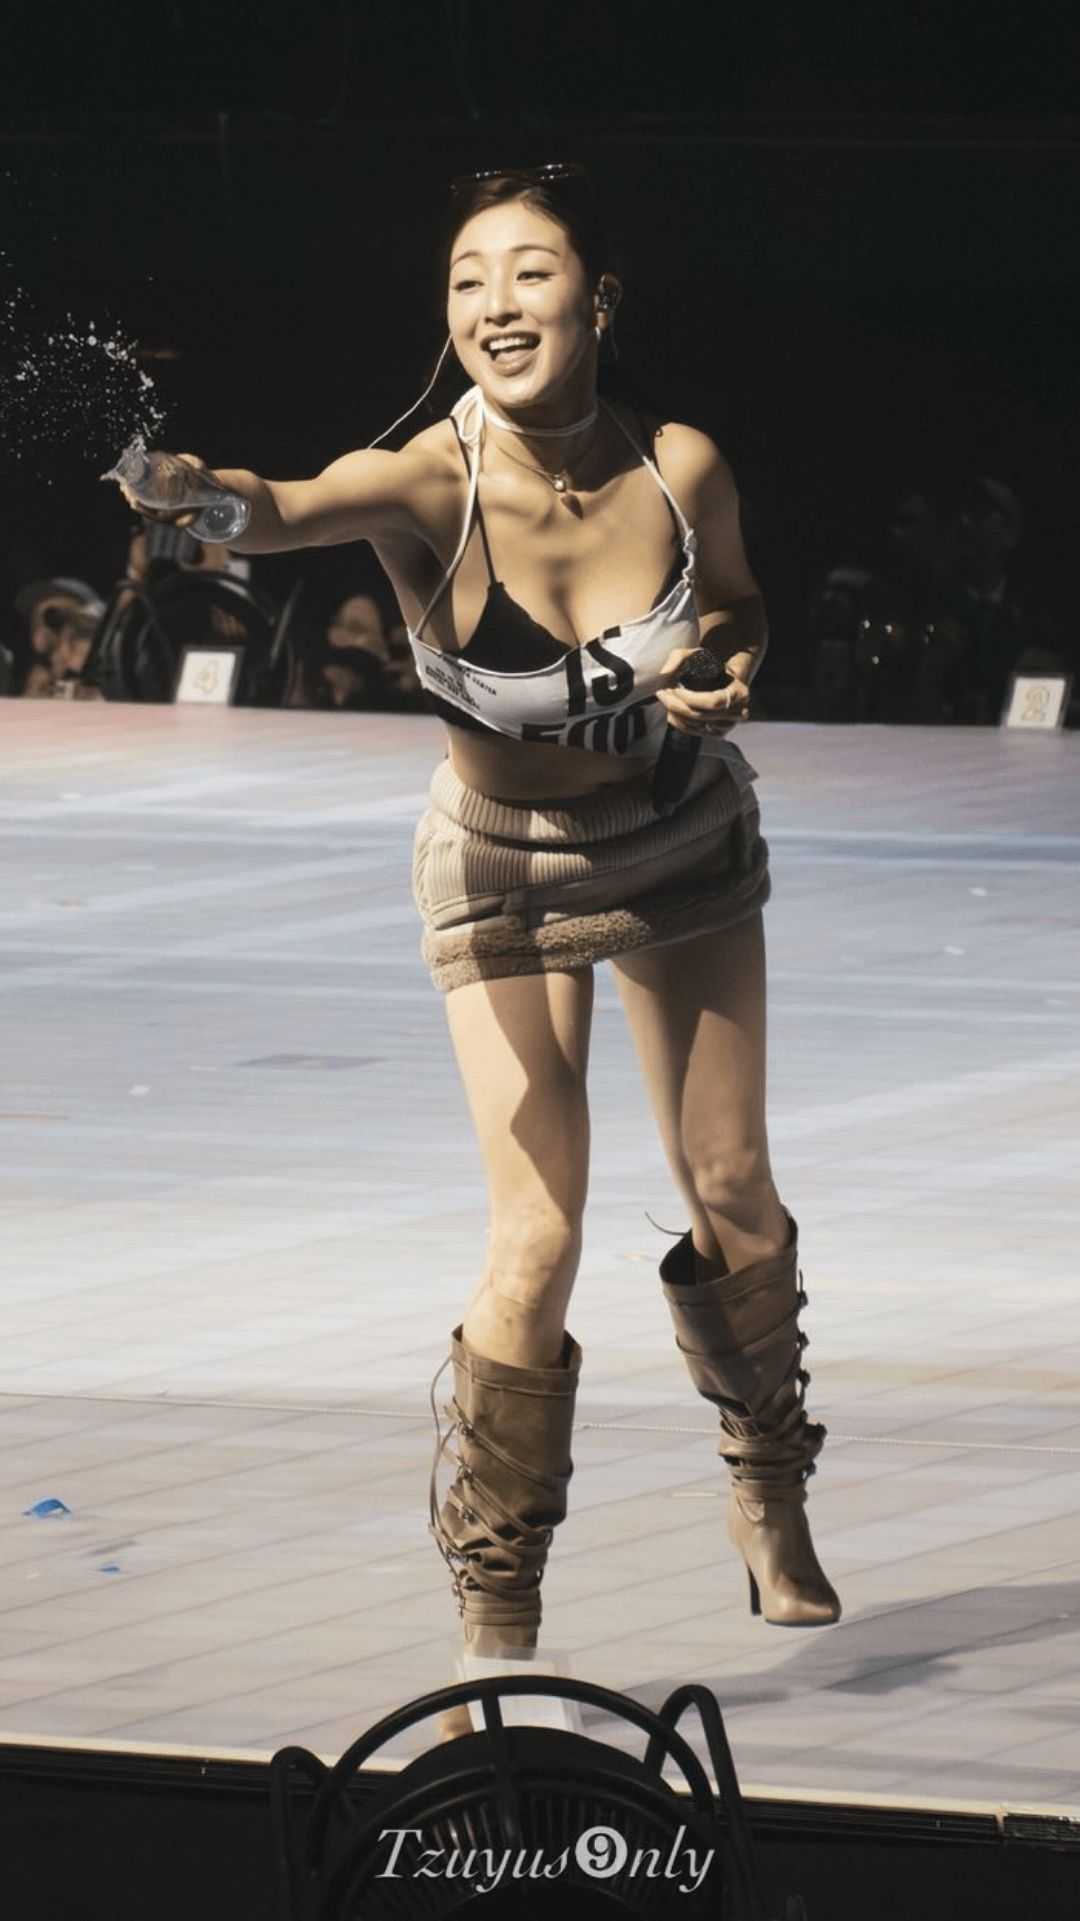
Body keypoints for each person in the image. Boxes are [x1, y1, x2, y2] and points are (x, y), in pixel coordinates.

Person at [129, 163, 840, 1668]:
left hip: (677, 831)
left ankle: (769, 1486)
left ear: (599, 299)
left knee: (730, 1182)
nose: (495, 306)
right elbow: (284, 506)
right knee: (538, 1236)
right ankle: (495, 1618)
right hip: (503, 863)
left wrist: (725, 665)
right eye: (466, 280)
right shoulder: (428, 483)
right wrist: (198, 495)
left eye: (529, 272)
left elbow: (737, 600)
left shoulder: (681, 466)